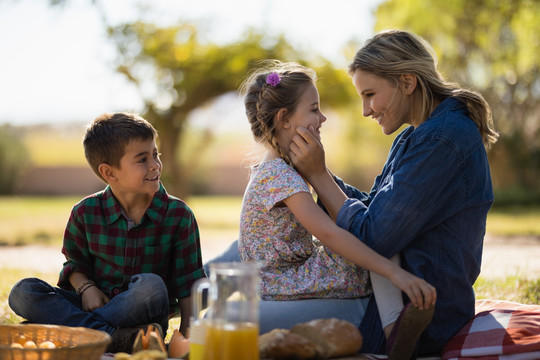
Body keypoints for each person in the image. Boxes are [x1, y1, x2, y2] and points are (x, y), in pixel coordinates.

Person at [288, 30, 498, 357]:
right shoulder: (415, 136)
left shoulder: (441, 140)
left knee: (248, 321)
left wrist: (318, 175)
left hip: (416, 312)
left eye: (370, 94)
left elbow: (374, 236)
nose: (365, 110)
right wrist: (317, 174)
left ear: (408, 82)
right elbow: (375, 209)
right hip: (382, 292)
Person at [237, 60, 436, 359]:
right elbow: (329, 233)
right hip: (283, 282)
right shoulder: (279, 176)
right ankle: (393, 330)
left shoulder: (276, 169)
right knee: (378, 233)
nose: (323, 117)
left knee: (371, 228)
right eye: (314, 109)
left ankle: (392, 324)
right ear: (284, 119)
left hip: (280, 278)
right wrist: (395, 274)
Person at [9, 112, 206, 353]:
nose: (155, 165)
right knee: (23, 291)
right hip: (94, 306)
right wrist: (86, 288)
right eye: (142, 159)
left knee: (151, 286)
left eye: (155, 154)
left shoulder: (178, 214)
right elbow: (74, 264)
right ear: (110, 173)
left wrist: (187, 337)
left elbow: (190, 283)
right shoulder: (85, 212)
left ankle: (72, 331)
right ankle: (115, 337)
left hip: (144, 310)